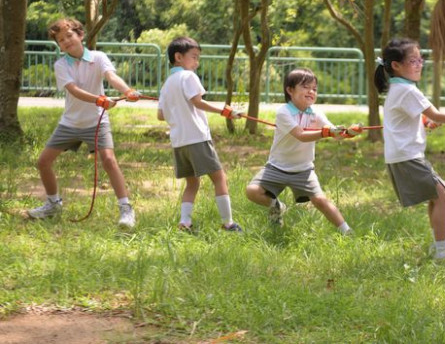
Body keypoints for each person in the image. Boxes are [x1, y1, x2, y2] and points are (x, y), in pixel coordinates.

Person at [374, 38, 445, 268]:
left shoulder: (401, 88)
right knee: (443, 196)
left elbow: (412, 119)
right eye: (413, 61)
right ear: (396, 65)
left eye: (420, 59)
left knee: (439, 196)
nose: (419, 64)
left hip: (405, 154)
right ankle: (443, 253)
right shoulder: (407, 90)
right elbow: (438, 115)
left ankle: (439, 247)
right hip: (407, 156)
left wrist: (425, 123)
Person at [27, 18, 139, 228]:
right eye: (61, 40)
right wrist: (98, 99)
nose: (66, 41)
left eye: (69, 35)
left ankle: (126, 209)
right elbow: (73, 90)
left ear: (80, 35)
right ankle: (53, 204)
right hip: (69, 123)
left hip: (96, 122)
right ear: (58, 45)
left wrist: (127, 91)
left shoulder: (98, 57)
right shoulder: (61, 65)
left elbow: (111, 76)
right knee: (43, 162)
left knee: (109, 161)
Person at [245, 68, 356, 234]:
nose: (311, 91)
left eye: (315, 89)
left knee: (320, 200)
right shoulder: (283, 112)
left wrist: (349, 133)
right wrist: (326, 132)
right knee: (252, 191)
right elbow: (301, 135)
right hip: (277, 167)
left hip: (303, 169)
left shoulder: (317, 113)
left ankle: (347, 232)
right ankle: (277, 206)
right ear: (290, 90)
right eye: (305, 87)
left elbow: (336, 134)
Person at [157, 36, 242, 233]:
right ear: (179, 57)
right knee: (219, 178)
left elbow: (160, 115)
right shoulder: (188, 77)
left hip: (179, 142)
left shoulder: (167, 84)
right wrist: (224, 111)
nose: (197, 62)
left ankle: (185, 222)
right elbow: (198, 102)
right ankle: (228, 223)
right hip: (197, 138)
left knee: (192, 183)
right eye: (194, 57)